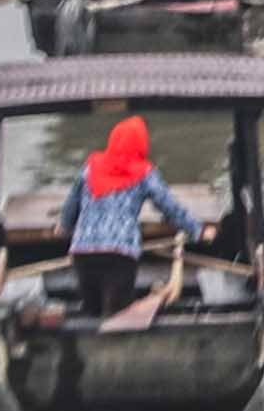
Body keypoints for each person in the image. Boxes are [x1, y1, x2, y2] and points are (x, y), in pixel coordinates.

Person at [65, 114, 189, 320]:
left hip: (83, 251)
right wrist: (196, 229)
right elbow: (168, 205)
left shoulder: (90, 168)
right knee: (117, 316)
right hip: (119, 253)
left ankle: (85, 347)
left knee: (91, 315)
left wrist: (65, 226)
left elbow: (71, 204)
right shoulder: (144, 172)